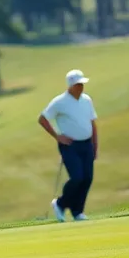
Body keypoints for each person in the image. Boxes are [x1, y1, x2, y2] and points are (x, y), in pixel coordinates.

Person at [38, 68, 99, 222]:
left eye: (82, 84)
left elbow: (92, 123)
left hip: (87, 144)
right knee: (77, 177)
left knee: (87, 179)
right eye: (78, 84)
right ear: (70, 86)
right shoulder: (60, 102)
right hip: (70, 146)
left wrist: (95, 145)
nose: (81, 87)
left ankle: (77, 211)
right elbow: (43, 119)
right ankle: (60, 203)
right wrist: (57, 136)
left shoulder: (87, 100)